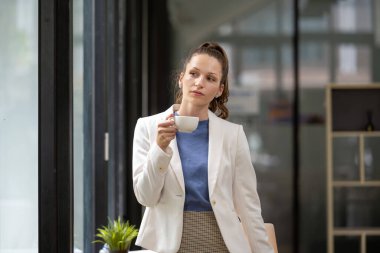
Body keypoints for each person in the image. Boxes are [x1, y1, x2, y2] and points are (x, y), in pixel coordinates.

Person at [132, 42, 274, 253]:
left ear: (219, 90)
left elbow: (249, 206)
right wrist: (159, 150)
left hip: (222, 244)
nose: (199, 82)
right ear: (181, 78)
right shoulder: (148, 127)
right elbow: (146, 197)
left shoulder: (232, 135)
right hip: (170, 245)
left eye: (210, 78)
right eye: (194, 74)